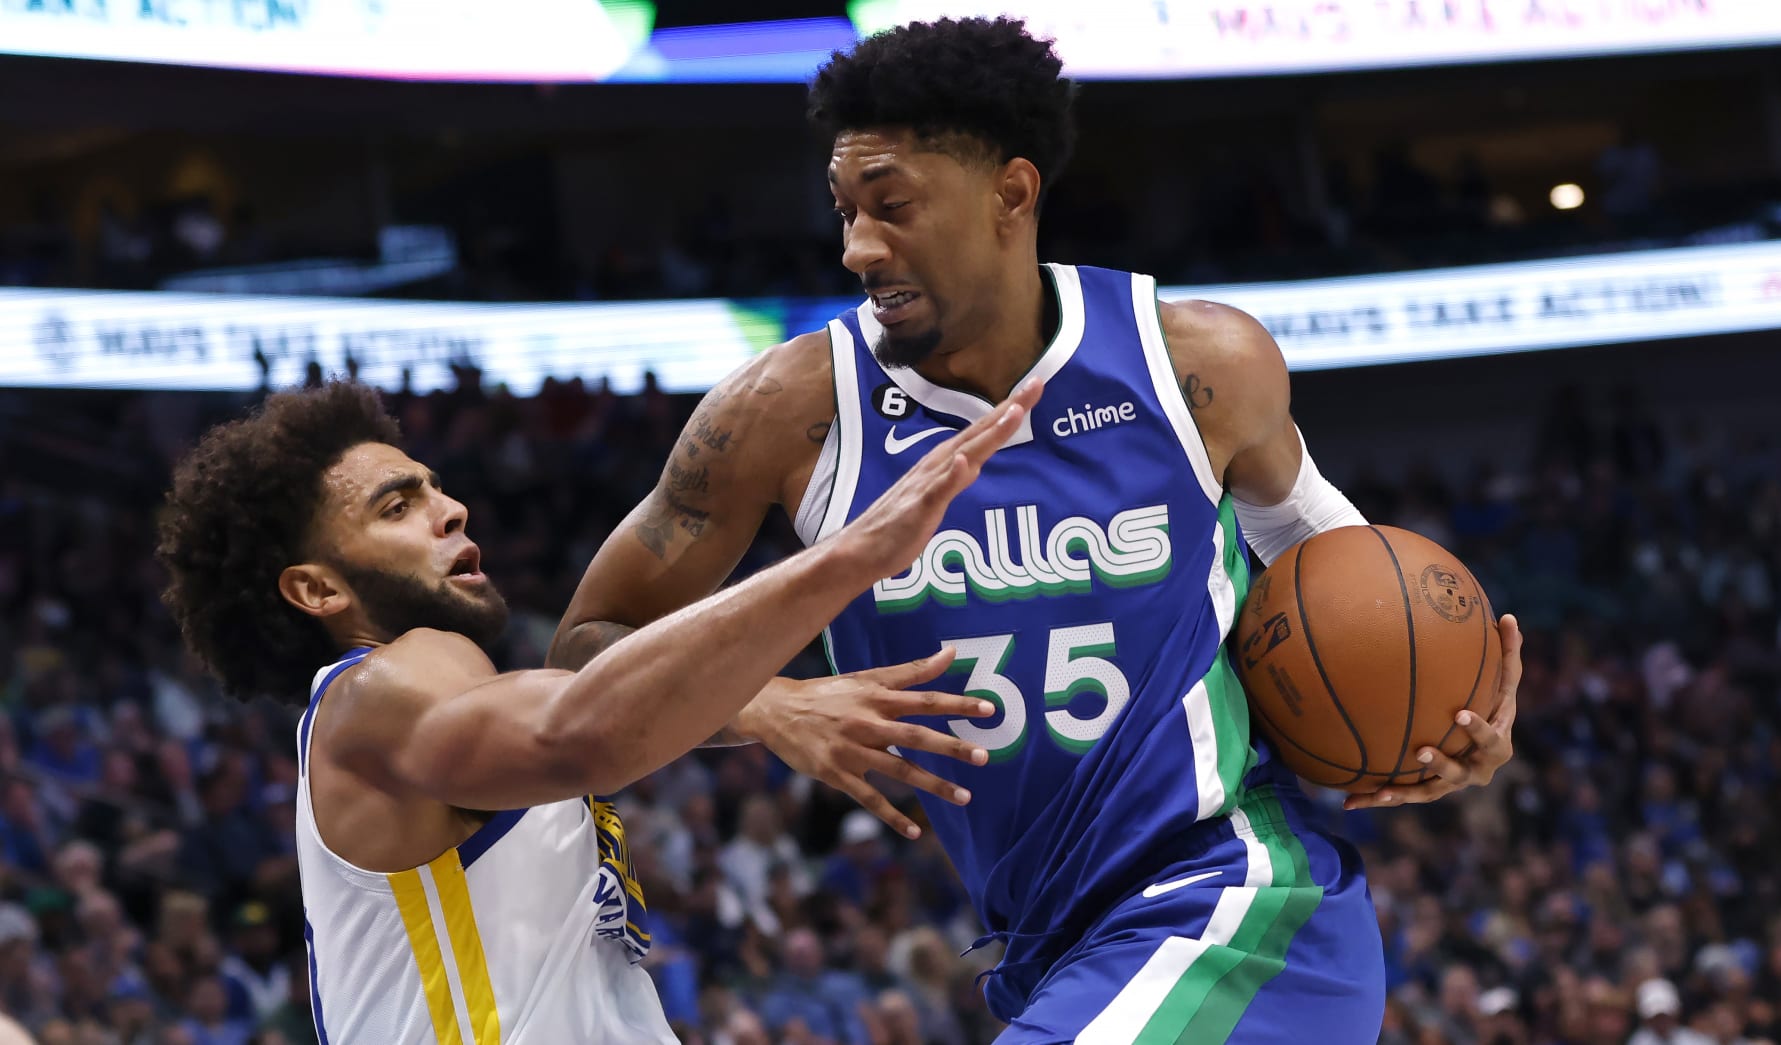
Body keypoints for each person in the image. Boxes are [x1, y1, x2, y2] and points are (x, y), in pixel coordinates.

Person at [552, 17, 1523, 1043]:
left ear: (1012, 193)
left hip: (1238, 909)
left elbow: (1351, 585)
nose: (857, 247)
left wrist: (1438, 726)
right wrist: (763, 703)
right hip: (1053, 951)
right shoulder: (786, 414)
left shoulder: (1196, 367)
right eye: (844, 211)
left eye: (893, 207)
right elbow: (584, 657)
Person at [154, 378, 1037, 1044]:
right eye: (398, 504)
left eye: (431, 485)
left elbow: (585, 694)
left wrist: (764, 701)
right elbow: (580, 726)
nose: (449, 506)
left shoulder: (441, 706)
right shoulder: (377, 692)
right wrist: (853, 556)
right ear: (316, 587)